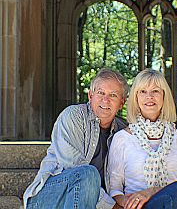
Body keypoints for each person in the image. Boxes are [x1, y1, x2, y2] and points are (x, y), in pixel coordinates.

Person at [23, 68, 129, 209]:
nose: (105, 100)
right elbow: (75, 168)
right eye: (101, 93)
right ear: (91, 95)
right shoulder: (74, 116)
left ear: (122, 102)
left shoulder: (124, 131)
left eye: (113, 95)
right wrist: (112, 206)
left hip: (89, 202)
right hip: (47, 199)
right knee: (87, 174)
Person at [108, 69, 177, 209]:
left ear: (164, 96)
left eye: (155, 91)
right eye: (143, 91)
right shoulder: (122, 139)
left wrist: (151, 192)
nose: (149, 96)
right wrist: (133, 203)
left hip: (176, 204)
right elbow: (114, 191)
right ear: (136, 98)